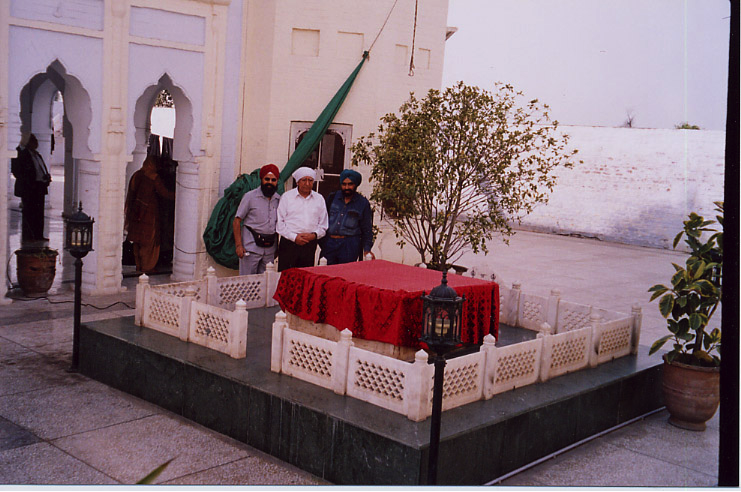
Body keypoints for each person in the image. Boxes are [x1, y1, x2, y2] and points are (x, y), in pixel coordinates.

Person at [124, 156, 175, 273]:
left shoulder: (136, 175)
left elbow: (131, 193)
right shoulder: (153, 177)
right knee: (149, 241)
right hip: (149, 214)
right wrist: (179, 195)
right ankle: (148, 267)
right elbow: (164, 193)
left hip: (135, 214)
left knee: (137, 241)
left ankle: (139, 266)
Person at [275, 167, 328, 272]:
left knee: (305, 278)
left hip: (309, 245)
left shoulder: (319, 199)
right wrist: (294, 237)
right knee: (286, 277)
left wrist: (314, 235)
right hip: (289, 244)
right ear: (298, 182)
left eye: (310, 180)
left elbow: (323, 225)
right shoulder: (287, 197)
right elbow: (280, 223)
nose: (307, 183)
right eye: (304, 180)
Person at [232, 164, 281, 275]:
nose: (270, 182)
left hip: (269, 250)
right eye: (266, 179)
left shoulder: (278, 199)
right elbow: (237, 221)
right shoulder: (250, 197)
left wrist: (276, 248)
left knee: (265, 283)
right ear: (261, 179)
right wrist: (239, 245)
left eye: (273, 180)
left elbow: (278, 225)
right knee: (246, 283)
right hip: (251, 248)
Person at [320, 169, 375, 265]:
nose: (347, 187)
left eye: (350, 184)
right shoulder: (332, 198)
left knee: (344, 275)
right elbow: (322, 220)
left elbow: (367, 229)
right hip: (329, 244)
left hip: (349, 246)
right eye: (344, 184)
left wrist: (367, 249)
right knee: (324, 273)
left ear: (356, 185)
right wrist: (323, 243)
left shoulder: (362, 203)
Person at [11, 133, 52, 241]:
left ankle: (38, 235)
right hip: (29, 188)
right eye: (33, 141)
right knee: (29, 213)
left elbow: (39, 168)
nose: (36, 143)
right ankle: (29, 236)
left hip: (39, 187)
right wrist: (28, 180)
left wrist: (46, 177)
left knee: (39, 212)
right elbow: (17, 171)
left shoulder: (36, 154)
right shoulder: (21, 154)